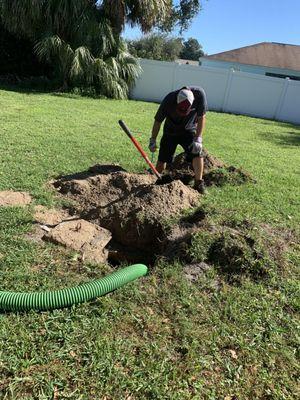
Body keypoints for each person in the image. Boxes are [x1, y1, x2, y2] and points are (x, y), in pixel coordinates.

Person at [149, 86, 207, 193]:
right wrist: (153, 140)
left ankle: (199, 183)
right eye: (180, 110)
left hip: (189, 130)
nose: (182, 113)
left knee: (198, 153)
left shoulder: (199, 95)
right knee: (162, 160)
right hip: (170, 131)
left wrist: (198, 138)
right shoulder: (169, 100)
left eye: (185, 111)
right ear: (176, 103)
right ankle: (156, 180)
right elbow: (158, 121)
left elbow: (201, 117)